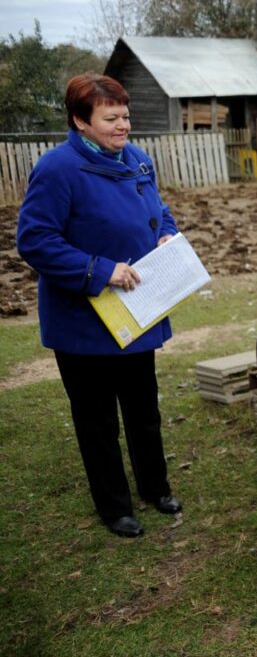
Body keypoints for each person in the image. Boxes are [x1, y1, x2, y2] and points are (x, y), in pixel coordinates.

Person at [16, 73, 183, 538]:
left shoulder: (137, 159)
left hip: (136, 309)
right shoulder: (58, 169)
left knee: (144, 410)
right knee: (97, 422)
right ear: (80, 121)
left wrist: (165, 232)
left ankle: (156, 487)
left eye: (125, 115)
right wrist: (100, 270)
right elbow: (35, 240)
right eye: (111, 118)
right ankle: (115, 507)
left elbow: (159, 209)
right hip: (84, 321)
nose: (123, 125)